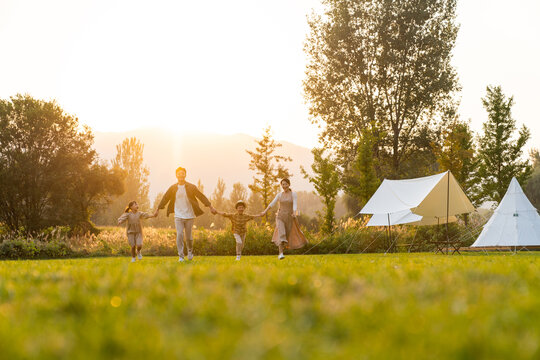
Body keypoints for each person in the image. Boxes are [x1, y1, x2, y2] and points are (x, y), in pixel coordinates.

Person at [154, 166, 217, 262]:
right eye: (179, 174)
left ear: (185, 175)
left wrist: (210, 206)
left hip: (189, 215)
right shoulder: (173, 188)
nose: (181, 175)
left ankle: (190, 250)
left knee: (189, 236)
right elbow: (165, 198)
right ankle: (181, 256)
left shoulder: (191, 187)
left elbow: (200, 196)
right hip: (178, 215)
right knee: (179, 234)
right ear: (176, 175)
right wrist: (158, 208)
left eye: (182, 174)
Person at [261, 178, 307, 259]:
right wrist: (265, 211)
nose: (284, 186)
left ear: (289, 184)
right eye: (282, 184)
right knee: (281, 233)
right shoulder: (279, 195)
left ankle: (283, 249)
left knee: (287, 236)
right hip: (280, 216)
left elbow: (295, 204)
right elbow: (272, 203)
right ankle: (281, 254)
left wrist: (294, 212)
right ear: (281, 185)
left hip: (290, 217)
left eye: (286, 184)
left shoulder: (293, 194)